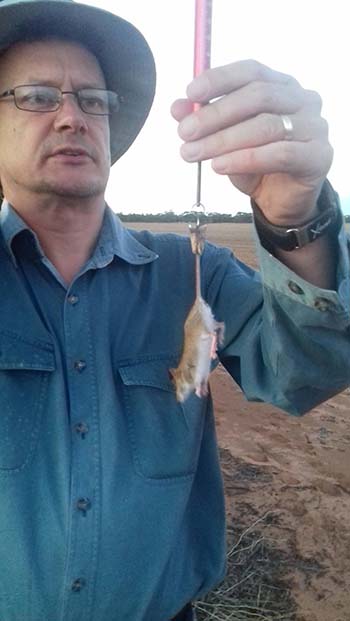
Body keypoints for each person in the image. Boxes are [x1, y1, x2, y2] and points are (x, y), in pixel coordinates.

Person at [0, 1, 348, 620]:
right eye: (35, 96)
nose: (73, 116)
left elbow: (308, 373)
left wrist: (296, 222)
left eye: (94, 100)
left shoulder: (195, 272)